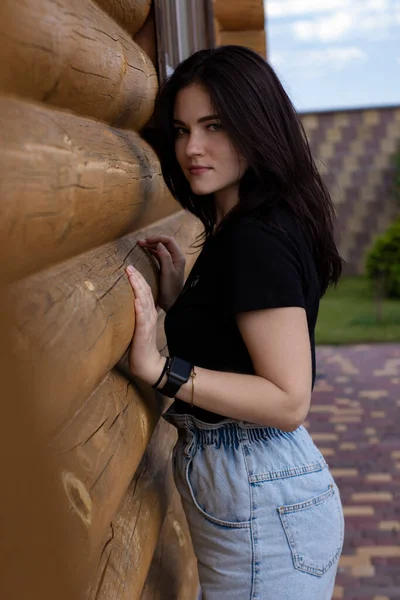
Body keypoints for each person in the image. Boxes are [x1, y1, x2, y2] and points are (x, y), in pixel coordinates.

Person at [125, 45, 345, 600]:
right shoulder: (245, 225)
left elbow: (289, 399)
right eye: (180, 130)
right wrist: (186, 300)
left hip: (263, 492)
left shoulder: (254, 238)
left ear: (255, 125)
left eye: (214, 126)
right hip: (266, 489)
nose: (191, 148)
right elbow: (246, 338)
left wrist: (163, 370)